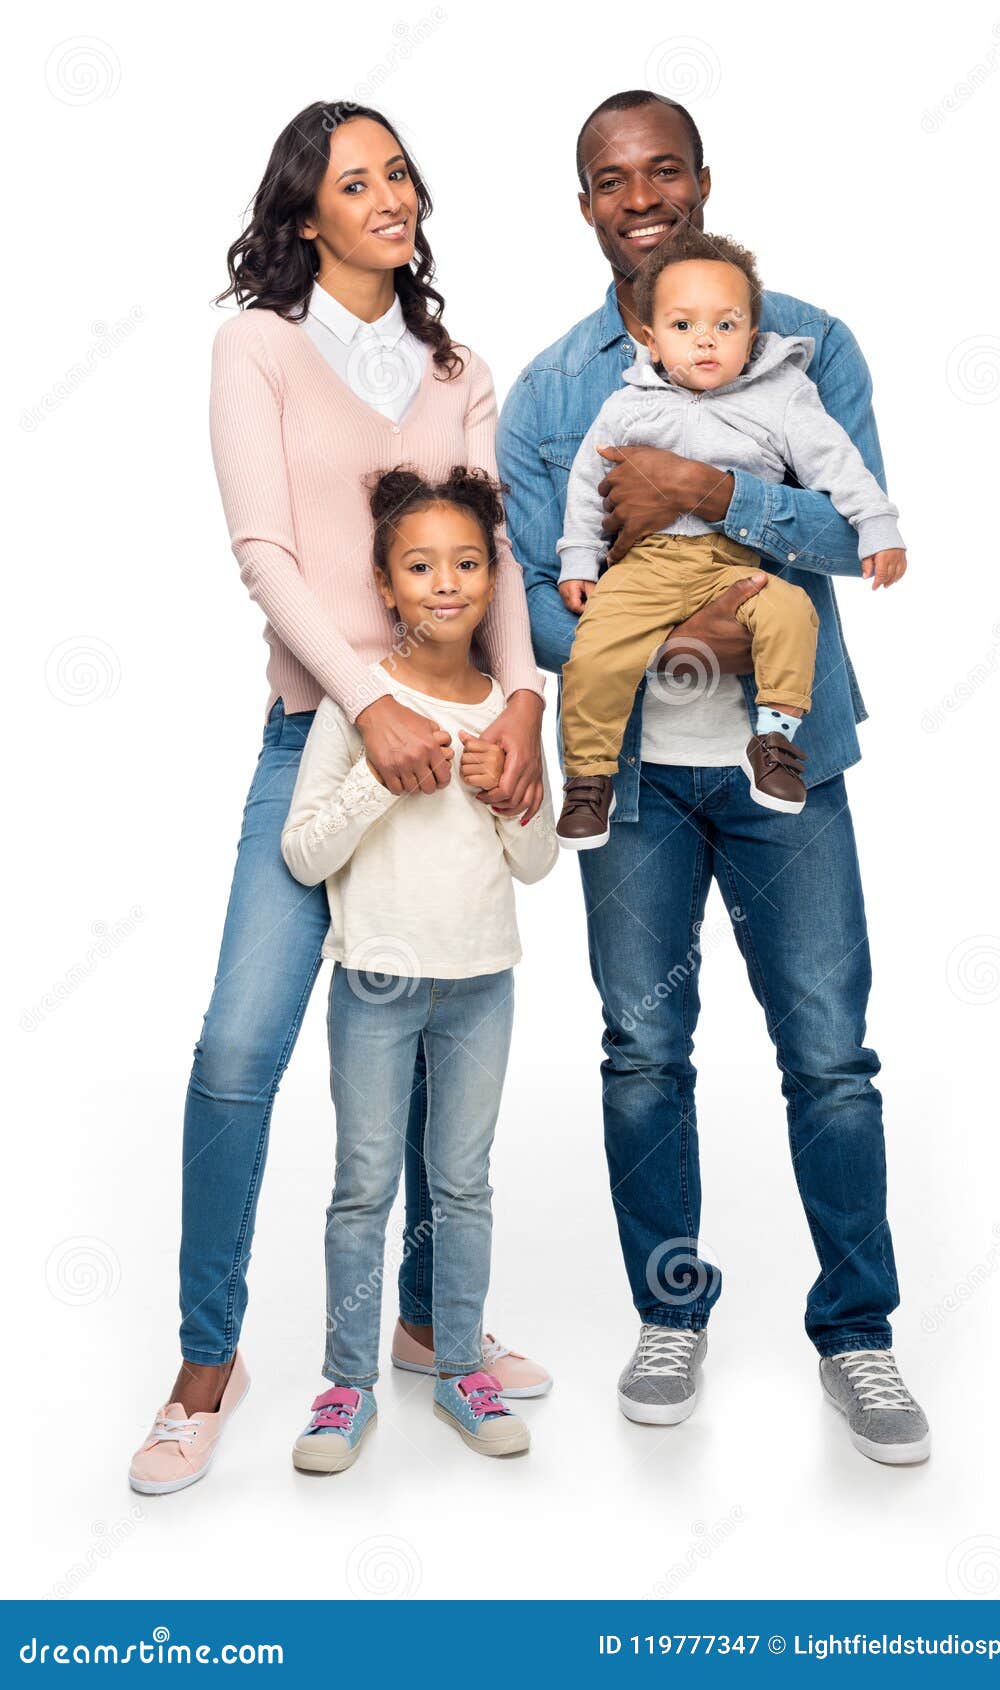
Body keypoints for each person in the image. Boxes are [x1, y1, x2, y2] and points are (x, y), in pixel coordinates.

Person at [498, 88, 930, 1464]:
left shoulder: (806, 347)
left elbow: (845, 523)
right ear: (587, 207)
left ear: (699, 178)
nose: (644, 195)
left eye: (665, 169)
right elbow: (535, 598)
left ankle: (858, 1334)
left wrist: (705, 499)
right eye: (613, 179)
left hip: (782, 766)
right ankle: (670, 1307)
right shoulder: (557, 390)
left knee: (831, 1054)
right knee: (641, 1051)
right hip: (631, 782)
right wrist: (676, 623)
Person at [129, 101, 549, 1498]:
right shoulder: (256, 344)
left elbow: (488, 552)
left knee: (441, 1018)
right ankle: (207, 1360)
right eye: (353, 181)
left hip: (459, 738)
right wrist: (366, 702)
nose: (390, 196)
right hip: (321, 736)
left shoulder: (458, 366)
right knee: (240, 1046)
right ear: (306, 214)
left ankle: (430, 1321)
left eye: (399, 173)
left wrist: (524, 707)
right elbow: (264, 549)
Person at [281, 469, 557, 1469]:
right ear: (386, 586)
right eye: (421, 565)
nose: (448, 581)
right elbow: (304, 853)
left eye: (468, 562)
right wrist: (376, 782)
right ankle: (345, 1386)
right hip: (377, 984)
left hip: (483, 980)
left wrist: (507, 799)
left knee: (463, 1183)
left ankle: (458, 1375)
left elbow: (537, 863)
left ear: (493, 580)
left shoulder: (512, 709)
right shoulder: (361, 709)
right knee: (364, 1182)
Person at [555, 225, 906, 841]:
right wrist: (581, 559)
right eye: (683, 326)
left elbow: (837, 462)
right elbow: (589, 483)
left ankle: (772, 740)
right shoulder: (627, 405)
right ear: (651, 338)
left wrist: (877, 524)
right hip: (645, 564)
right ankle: (590, 780)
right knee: (595, 649)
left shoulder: (784, 398)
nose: (706, 342)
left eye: (726, 324)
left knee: (792, 610)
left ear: (753, 332)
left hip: (734, 562)